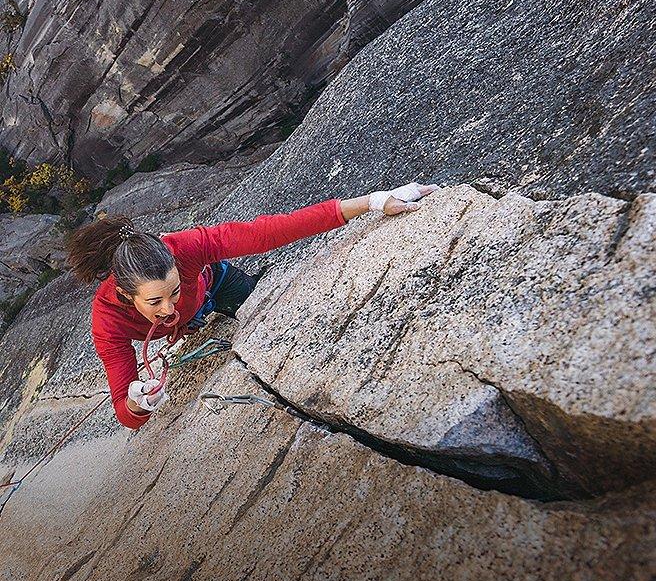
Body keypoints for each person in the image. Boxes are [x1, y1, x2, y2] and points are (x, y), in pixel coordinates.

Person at [66, 182, 440, 430]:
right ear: (128, 297)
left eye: (174, 291)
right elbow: (125, 412)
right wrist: (138, 403)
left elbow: (266, 232)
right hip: (188, 323)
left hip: (219, 285)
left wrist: (372, 202)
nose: (167, 307)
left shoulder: (186, 248)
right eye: (154, 302)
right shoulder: (108, 320)